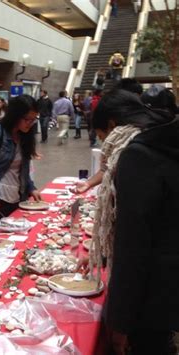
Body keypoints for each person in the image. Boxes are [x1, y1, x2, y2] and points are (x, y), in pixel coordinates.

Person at [87, 89, 178, 354]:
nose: (103, 147)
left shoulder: (138, 155)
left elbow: (133, 242)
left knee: (150, 345)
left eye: (102, 136)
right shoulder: (164, 137)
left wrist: (120, 323)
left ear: (113, 125)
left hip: (153, 289)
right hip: (167, 283)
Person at [0, 95, 42, 233]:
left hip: (16, 196)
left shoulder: (25, 136)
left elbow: (23, 169)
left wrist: (31, 188)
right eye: (27, 119)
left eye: (33, 119)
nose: (30, 124)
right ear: (15, 115)